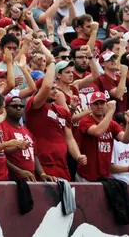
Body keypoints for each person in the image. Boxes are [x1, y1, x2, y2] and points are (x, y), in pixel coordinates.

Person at [25, 53, 86, 181]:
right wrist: (51, 61)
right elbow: (46, 86)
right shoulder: (35, 105)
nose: (55, 90)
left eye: (56, 88)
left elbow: (69, 138)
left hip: (62, 165)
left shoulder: (61, 111)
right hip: (43, 165)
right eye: (52, 88)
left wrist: (78, 155)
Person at [76, 92, 129, 182]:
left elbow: (125, 140)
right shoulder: (85, 121)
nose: (99, 106)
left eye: (102, 103)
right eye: (96, 103)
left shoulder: (112, 124)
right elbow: (98, 131)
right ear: (91, 106)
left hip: (105, 176)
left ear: (106, 105)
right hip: (87, 176)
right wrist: (110, 111)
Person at [2, 96, 56, 182]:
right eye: (14, 106)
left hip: (30, 178)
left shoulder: (26, 131)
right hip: (12, 180)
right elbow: (1, 156)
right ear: (5, 108)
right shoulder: (2, 127)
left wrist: (42, 174)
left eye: (21, 106)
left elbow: (34, 155)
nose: (19, 108)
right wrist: (19, 171)